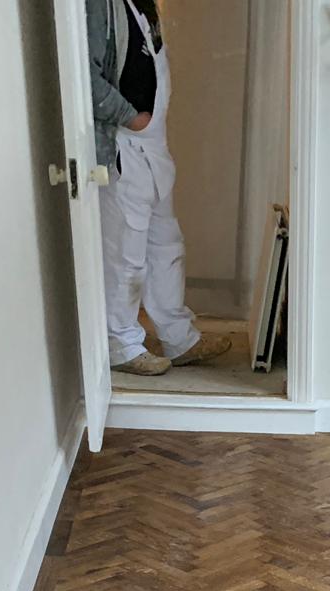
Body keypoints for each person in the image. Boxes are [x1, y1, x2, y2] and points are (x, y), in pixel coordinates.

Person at [85, 0, 230, 377]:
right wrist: (130, 117)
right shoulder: (96, 5)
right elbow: (86, 74)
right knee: (125, 254)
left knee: (167, 244)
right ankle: (122, 345)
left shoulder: (141, 3)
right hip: (124, 143)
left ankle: (179, 337)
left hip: (152, 144)